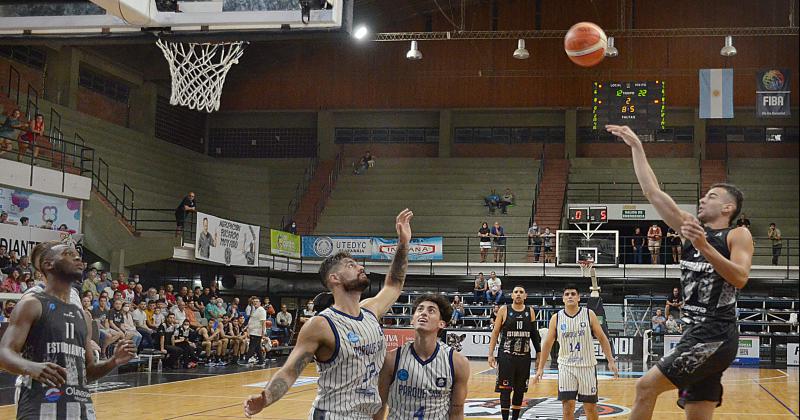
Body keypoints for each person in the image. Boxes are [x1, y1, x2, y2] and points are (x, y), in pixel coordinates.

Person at [608, 124, 753, 420]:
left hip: (715, 335)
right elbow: (652, 191)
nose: (703, 198)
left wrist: (705, 247)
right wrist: (637, 146)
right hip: (695, 332)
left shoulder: (737, 235)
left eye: (711, 196)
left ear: (728, 207)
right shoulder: (690, 228)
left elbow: (740, 278)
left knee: (645, 387)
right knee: (697, 414)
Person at [243, 209, 413, 418]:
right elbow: (290, 370)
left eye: (358, 264)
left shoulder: (370, 311)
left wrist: (404, 243)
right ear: (334, 279)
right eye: (351, 265)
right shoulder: (321, 325)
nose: (360, 267)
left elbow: (394, 284)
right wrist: (266, 397)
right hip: (334, 414)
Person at [0, 241, 135, 419]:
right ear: (48, 264)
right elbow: (4, 353)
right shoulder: (32, 303)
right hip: (40, 407)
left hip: (79, 409)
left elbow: (87, 371)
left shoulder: (84, 316)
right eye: (68, 254)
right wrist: (31, 367)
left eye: (77, 255)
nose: (78, 257)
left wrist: (113, 361)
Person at [373, 294, 469, 420]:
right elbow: (379, 407)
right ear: (412, 320)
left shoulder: (458, 363)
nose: (423, 313)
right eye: (420, 309)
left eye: (431, 310)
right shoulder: (390, 359)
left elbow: (456, 413)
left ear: (442, 323)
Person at [535, 284, 618, 420]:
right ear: (563, 299)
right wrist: (540, 368)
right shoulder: (556, 318)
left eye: (573, 294)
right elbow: (547, 344)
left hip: (587, 367)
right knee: (567, 406)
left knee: (590, 407)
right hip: (566, 367)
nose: (570, 296)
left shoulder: (588, 314)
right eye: (567, 294)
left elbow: (603, 338)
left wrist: (611, 360)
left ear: (578, 297)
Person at [488, 286, 542, 420]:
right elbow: (495, 333)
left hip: (524, 358)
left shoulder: (530, 311)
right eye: (516, 292)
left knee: (519, 391)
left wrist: (539, 355)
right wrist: (490, 354)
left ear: (525, 296)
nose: (518, 294)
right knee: (505, 390)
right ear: (512, 296)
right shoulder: (504, 310)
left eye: (521, 292)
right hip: (506, 356)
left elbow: (534, 335)